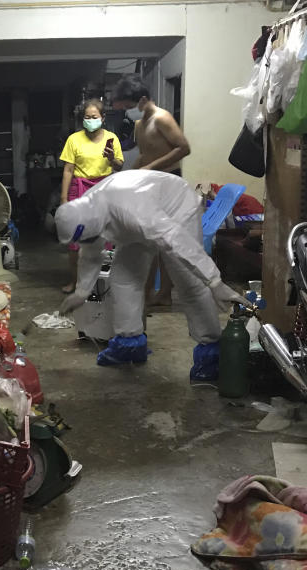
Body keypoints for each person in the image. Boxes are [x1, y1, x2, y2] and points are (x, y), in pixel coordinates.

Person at [56, 170, 245, 376]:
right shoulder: (86, 211)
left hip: (176, 208)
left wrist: (214, 281)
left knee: (188, 281)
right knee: (123, 279)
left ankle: (211, 353)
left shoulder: (130, 211)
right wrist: (82, 291)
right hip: (137, 217)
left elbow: (174, 239)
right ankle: (130, 344)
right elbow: (91, 250)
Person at [112, 74, 192, 307]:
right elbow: (145, 154)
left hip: (168, 183)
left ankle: (164, 292)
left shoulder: (162, 118)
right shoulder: (139, 124)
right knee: (150, 241)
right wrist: (128, 175)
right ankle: (148, 292)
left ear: (143, 99)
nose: (128, 111)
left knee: (165, 243)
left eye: (129, 106)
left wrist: (149, 168)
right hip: (150, 183)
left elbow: (184, 148)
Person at [59, 99, 124, 294]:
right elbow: (68, 169)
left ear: (103, 118)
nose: (90, 120)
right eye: (87, 117)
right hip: (78, 189)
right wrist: (64, 199)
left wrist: (111, 158)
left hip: (103, 189)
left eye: (94, 117)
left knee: (106, 238)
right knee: (75, 239)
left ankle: (103, 281)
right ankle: (76, 282)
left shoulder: (111, 138)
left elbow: (119, 166)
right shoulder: (74, 140)